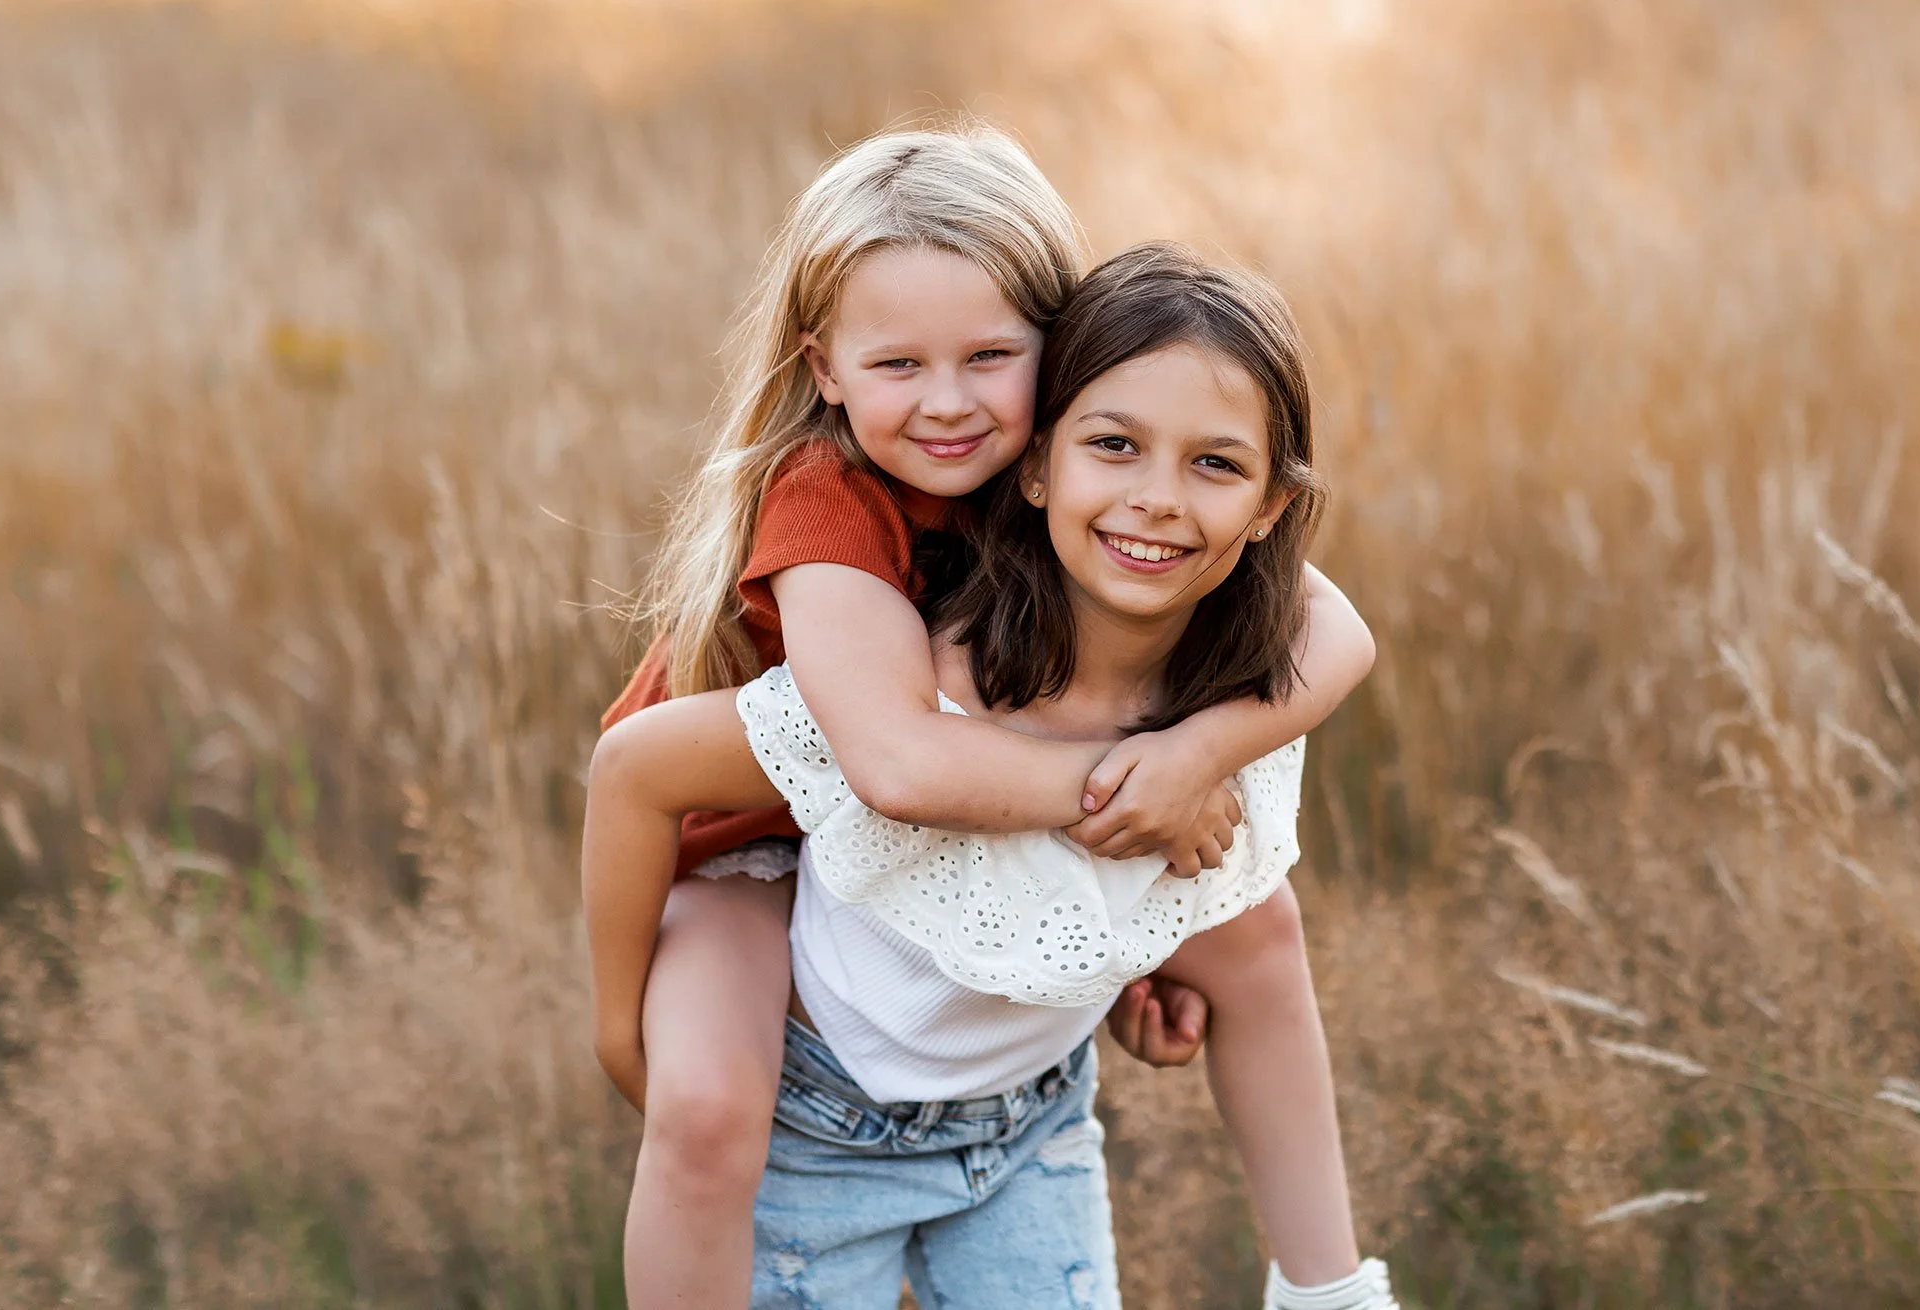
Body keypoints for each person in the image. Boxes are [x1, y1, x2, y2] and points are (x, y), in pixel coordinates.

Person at [583, 128, 1378, 1307]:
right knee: (704, 1108)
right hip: (745, 841)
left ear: (1052, 365)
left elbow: (1334, 627)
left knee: (1255, 920)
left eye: (991, 355)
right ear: (826, 367)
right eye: (897, 363)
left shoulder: (1078, 460)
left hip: (921, 908)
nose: (948, 404)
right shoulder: (832, 502)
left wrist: (1191, 765)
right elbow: (897, 763)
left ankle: (1331, 1287)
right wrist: (615, 1017)